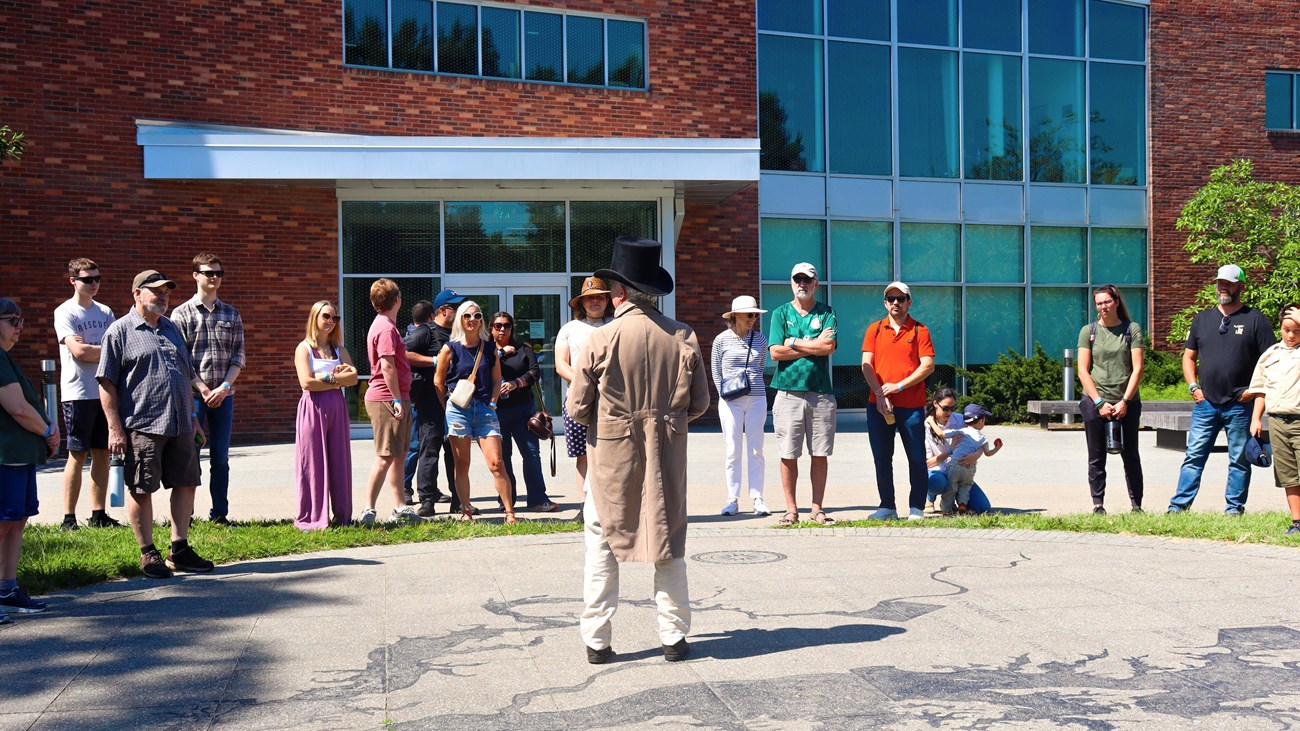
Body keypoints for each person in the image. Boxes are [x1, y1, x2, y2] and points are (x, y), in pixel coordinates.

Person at [568, 236, 710, 664]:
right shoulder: (682, 335)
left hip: (611, 456)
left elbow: (576, 408)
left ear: (621, 291)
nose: (608, 296)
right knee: (668, 542)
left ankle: (597, 639)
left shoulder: (601, 339)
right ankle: (673, 636)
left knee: (601, 541)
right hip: (666, 451)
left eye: (611, 287)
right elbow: (701, 403)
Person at [97, 270, 214, 578]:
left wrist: (193, 418)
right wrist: (114, 428)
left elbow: (185, 375)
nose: (163, 296)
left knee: (187, 482)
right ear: (137, 293)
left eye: (166, 292)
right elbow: (107, 383)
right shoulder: (119, 332)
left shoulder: (172, 329)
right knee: (141, 488)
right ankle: (148, 552)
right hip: (142, 423)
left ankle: (180, 548)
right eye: (156, 291)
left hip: (181, 423)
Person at [1169, 264, 1277, 515]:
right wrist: (1193, 386)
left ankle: (1233, 510)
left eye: (1228, 283)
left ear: (1241, 287)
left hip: (1240, 405)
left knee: (1239, 461)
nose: (1223, 287)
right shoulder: (1203, 318)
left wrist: (1253, 392)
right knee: (1193, 457)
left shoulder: (1255, 319)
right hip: (1205, 404)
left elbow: (1270, 361)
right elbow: (1188, 357)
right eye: (1220, 283)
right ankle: (1177, 507)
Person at [171, 253, 246, 525]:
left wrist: (224, 387)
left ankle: (220, 514)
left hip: (224, 397)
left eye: (218, 273)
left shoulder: (231, 313)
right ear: (195, 276)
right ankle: (185, 515)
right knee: (190, 455)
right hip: (194, 398)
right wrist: (203, 389)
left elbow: (238, 356)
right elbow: (181, 360)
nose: (214, 277)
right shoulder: (180, 314)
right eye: (208, 273)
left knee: (221, 458)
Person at [432, 301, 517, 524]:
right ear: (460, 319)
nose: (472, 319)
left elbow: (497, 379)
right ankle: (466, 511)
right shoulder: (450, 348)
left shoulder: (489, 348)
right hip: (458, 410)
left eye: (477, 315)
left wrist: (493, 402)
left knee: (497, 462)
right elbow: (438, 381)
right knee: (462, 464)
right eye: (467, 315)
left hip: (485, 409)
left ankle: (509, 513)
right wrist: (448, 407)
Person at [768, 263, 838, 527]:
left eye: (807, 280)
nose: (802, 284)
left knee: (819, 453)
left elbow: (829, 346)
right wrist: (813, 346)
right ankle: (791, 509)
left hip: (820, 394)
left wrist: (794, 342)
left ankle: (817, 509)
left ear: (816, 284)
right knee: (788, 454)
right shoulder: (780, 313)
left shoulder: (827, 312)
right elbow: (775, 352)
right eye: (797, 279)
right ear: (791, 282)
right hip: (788, 393)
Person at [860, 281, 935, 521]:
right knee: (882, 457)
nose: (895, 302)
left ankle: (916, 508)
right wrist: (881, 395)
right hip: (878, 405)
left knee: (916, 458)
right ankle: (887, 507)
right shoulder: (875, 329)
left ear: (908, 302)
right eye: (890, 298)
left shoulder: (919, 330)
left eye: (900, 299)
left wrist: (900, 385)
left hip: (911, 406)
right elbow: (866, 364)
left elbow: (928, 366)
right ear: (885, 302)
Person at [53, 257, 119, 530]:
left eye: (97, 279)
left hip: (103, 391)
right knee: (77, 454)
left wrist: (95, 352)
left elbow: (116, 350)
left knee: (102, 453)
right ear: (73, 281)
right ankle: (69, 518)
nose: (94, 284)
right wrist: (100, 352)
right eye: (88, 279)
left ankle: (98, 514)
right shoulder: (65, 312)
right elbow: (79, 352)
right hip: (78, 392)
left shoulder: (104, 312)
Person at [0, 298, 55, 621]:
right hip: (5, 457)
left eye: (21, 320)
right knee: (4, 522)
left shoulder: (6, 358)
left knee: (15, 521)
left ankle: (7, 589)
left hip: (19, 457)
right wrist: (48, 431)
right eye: (12, 320)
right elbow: (17, 408)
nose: (20, 327)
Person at [1077, 284, 1145, 514]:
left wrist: (1124, 401)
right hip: (1095, 401)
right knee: (1096, 456)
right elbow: (1083, 371)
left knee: (1131, 455)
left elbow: (1137, 369)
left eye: (1107, 301)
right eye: (1099, 303)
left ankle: (1136, 505)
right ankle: (1098, 504)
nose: (1103, 306)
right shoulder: (1089, 331)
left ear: (1116, 302)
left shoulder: (1131, 329)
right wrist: (1099, 403)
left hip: (1127, 402)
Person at [292, 301, 358, 530]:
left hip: (337, 408)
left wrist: (326, 379)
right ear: (315, 319)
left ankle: (342, 516)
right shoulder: (304, 348)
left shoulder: (339, 349)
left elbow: (353, 378)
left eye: (335, 318)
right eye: (326, 317)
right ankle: (312, 517)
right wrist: (333, 379)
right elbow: (306, 382)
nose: (331, 322)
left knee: (339, 461)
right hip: (313, 409)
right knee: (313, 462)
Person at [361, 278, 421, 524]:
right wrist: (396, 398)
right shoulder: (385, 328)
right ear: (397, 300)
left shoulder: (385, 324)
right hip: (387, 397)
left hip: (397, 397)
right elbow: (387, 366)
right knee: (386, 455)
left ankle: (400, 507)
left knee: (399, 454)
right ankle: (368, 510)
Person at [555, 277, 613, 510]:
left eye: (599, 296)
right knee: (583, 455)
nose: (595, 301)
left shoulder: (617, 325)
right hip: (578, 400)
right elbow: (561, 364)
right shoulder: (569, 329)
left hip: (612, 401)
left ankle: (609, 503)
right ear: (581, 303)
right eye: (589, 298)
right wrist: (586, 385)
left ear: (607, 299)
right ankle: (585, 504)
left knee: (612, 453)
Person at [710, 295, 770, 517]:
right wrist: (724, 396)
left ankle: (757, 498)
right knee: (733, 449)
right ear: (735, 316)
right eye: (749, 314)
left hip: (756, 398)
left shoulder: (761, 340)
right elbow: (716, 372)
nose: (753, 318)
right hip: (730, 400)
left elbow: (760, 367)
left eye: (755, 314)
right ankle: (732, 499)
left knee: (756, 449)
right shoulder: (721, 340)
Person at [491, 311, 555, 512]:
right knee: (503, 457)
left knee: (532, 454)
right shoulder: (486, 351)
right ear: (491, 328)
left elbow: (535, 371)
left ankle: (537, 499)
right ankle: (507, 500)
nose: (503, 329)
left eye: (507, 325)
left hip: (523, 410)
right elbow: (482, 370)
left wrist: (515, 383)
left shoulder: (523, 349)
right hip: (496, 412)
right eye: (498, 325)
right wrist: (500, 353)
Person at [403, 293, 461, 517]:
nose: (460, 312)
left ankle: (458, 499)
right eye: (457, 307)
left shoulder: (458, 334)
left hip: (456, 401)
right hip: (430, 400)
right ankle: (427, 500)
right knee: (430, 449)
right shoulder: (425, 331)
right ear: (444, 309)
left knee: (456, 452)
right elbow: (404, 353)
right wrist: (434, 360)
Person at [1246, 304, 1300, 535]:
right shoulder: (1270, 354)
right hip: (1277, 421)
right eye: (1286, 329)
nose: (1290, 335)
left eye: (1296, 330)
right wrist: (1256, 418)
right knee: (1288, 475)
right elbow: (1261, 391)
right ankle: (1297, 522)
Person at [923, 388, 992, 515]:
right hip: (939, 470)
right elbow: (927, 463)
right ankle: (930, 497)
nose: (949, 412)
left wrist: (975, 455)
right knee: (936, 482)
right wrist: (950, 450)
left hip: (959, 471)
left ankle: (956, 501)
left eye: (952, 408)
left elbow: (980, 441)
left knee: (983, 508)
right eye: (945, 408)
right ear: (935, 403)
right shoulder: (927, 425)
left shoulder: (961, 420)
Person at [941, 404, 1003, 513]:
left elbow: (943, 434)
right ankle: (962, 504)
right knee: (965, 487)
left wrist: (931, 421)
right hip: (969, 468)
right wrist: (997, 448)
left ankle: (946, 510)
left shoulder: (960, 431)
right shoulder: (982, 438)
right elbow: (988, 453)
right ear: (980, 421)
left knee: (951, 488)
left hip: (955, 464)